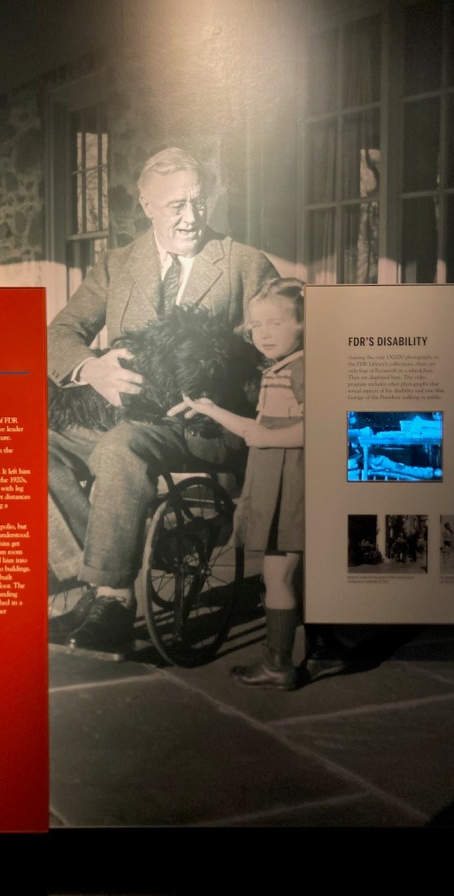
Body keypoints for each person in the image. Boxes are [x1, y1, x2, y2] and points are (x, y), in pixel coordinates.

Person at [47, 147, 278, 654]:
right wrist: (92, 369)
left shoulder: (244, 264)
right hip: (122, 411)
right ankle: (92, 575)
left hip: (202, 424)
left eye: (199, 202)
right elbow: (59, 333)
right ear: (146, 205)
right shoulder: (117, 263)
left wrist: (223, 398)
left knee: (121, 447)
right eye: (176, 205)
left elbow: (282, 350)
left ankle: (113, 599)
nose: (191, 217)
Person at [171, 278, 351, 689]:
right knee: (290, 575)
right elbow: (255, 429)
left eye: (275, 323)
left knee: (278, 576)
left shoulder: (304, 368)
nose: (263, 333)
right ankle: (324, 653)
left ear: (303, 323)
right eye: (255, 325)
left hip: (294, 486)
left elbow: (324, 425)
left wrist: (270, 438)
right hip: (278, 483)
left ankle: (278, 664)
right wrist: (210, 409)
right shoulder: (281, 369)